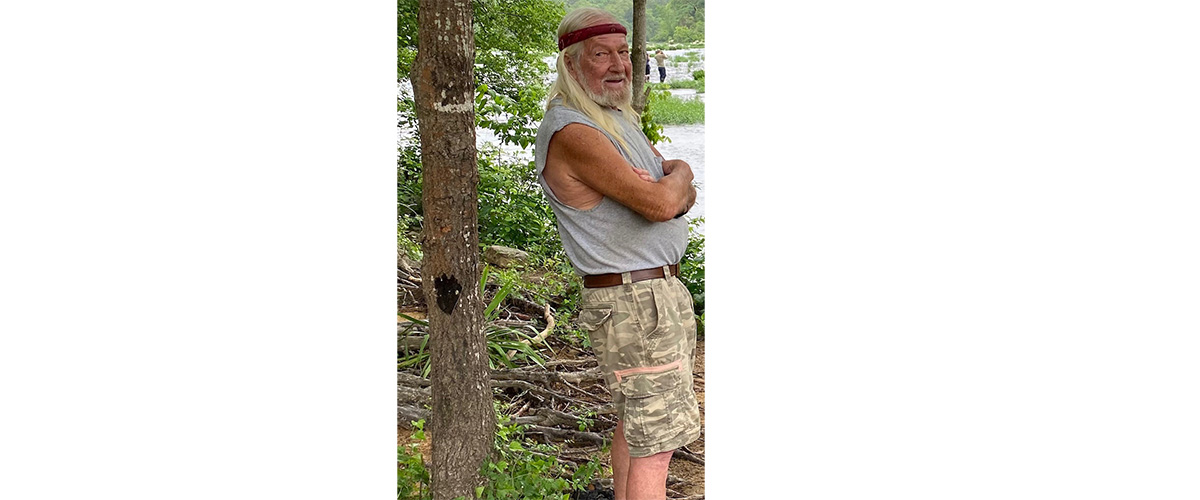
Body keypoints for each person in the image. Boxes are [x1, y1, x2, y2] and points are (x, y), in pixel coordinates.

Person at [533, 7, 700, 500]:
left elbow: (675, 195)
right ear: (570, 64)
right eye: (600, 54)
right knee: (658, 444)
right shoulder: (574, 130)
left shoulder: (613, 119)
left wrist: (675, 181)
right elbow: (662, 202)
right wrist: (679, 176)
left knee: (639, 428)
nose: (618, 64)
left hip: (649, 296)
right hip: (636, 302)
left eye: (623, 52)